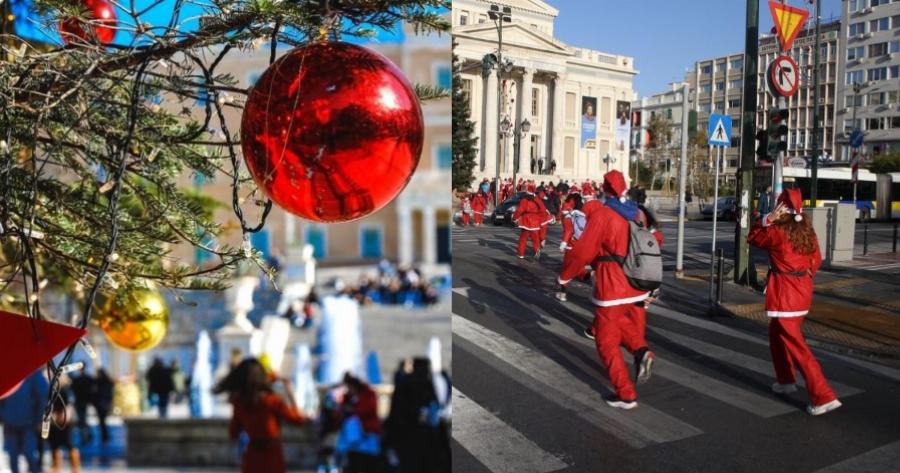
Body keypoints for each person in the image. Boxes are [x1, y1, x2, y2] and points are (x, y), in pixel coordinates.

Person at [559, 170, 651, 410]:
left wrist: (565, 275)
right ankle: (641, 350)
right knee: (618, 322)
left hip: (612, 285)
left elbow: (582, 252)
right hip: (636, 280)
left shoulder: (603, 215)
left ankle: (626, 394)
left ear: (605, 189)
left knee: (605, 339)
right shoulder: (637, 212)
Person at [748, 188, 841, 416]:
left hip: (784, 295)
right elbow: (816, 259)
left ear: (781, 210)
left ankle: (823, 396)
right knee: (776, 335)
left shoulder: (776, 232)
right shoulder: (807, 230)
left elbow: (753, 237)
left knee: (797, 347)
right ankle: (786, 380)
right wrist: (804, 277)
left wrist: (767, 219)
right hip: (802, 291)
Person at [215, 358, 306, 473]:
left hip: (252, 455)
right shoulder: (272, 401)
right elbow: (298, 419)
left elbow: (233, 433)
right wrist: (290, 393)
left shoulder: (240, 403)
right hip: (272, 456)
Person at [0, 370, 49, 473]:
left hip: (28, 423)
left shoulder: (33, 373)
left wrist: (40, 419)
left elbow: (42, 396)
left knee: (29, 453)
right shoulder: (7, 372)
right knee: (13, 456)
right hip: (10, 422)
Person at [337, 374, 382, 473]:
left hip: (367, 436)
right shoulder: (348, 397)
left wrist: (353, 410)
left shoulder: (368, 395)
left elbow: (368, 409)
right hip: (351, 439)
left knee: (366, 463)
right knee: (353, 463)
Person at [48, 384, 81, 473]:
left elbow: (70, 405)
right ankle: (55, 467)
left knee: (70, 444)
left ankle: (75, 468)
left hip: (67, 422)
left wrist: (65, 415)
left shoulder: (67, 390)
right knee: (55, 444)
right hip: (55, 421)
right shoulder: (52, 390)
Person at [512, 183, 545, 260]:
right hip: (535, 220)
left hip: (526, 220)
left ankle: (521, 254)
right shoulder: (537, 200)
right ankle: (537, 250)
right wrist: (539, 217)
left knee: (523, 238)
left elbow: (520, 210)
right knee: (535, 238)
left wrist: (514, 218)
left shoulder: (524, 200)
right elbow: (543, 210)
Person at [69, 369, 94, 445]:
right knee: (83, 420)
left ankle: (85, 437)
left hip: (81, 402)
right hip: (82, 402)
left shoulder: (79, 379)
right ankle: (86, 436)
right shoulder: (86, 379)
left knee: (82, 420)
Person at [92, 369, 114, 445]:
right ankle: (105, 436)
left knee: (102, 421)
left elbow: (97, 394)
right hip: (102, 404)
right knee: (102, 421)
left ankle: (105, 437)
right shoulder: (105, 382)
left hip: (102, 404)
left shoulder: (101, 383)